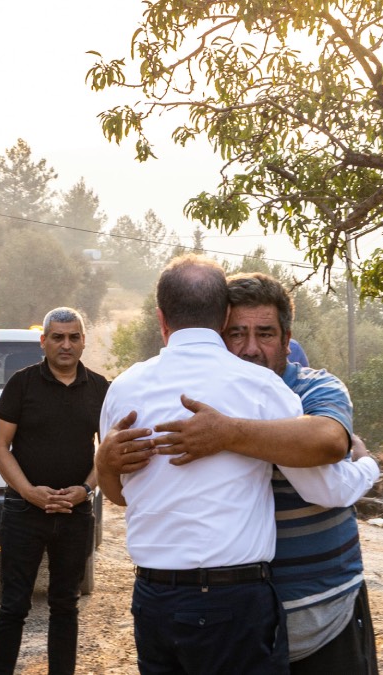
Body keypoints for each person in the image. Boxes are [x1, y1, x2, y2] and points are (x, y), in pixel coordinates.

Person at [146, 272, 380, 673]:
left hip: (326, 613)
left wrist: (227, 433)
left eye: (266, 333)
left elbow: (326, 441)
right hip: (234, 625)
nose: (250, 348)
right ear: (217, 336)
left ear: (287, 340)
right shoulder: (195, 400)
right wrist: (106, 462)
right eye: (236, 333)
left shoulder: (316, 389)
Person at [96, 254, 305, 675]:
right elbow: (318, 477)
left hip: (153, 599)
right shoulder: (262, 386)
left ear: (161, 318)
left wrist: (103, 464)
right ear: (225, 314)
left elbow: (120, 495)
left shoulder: (124, 388)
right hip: (233, 599)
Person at [0, 307, 109, 674]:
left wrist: (85, 489)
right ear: (44, 342)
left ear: (83, 341)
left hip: (75, 514)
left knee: (65, 605)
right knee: (14, 606)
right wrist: (28, 492)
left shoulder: (102, 388)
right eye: (58, 337)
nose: (66, 344)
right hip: (25, 514)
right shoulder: (22, 384)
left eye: (74, 337)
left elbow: (108, 449)